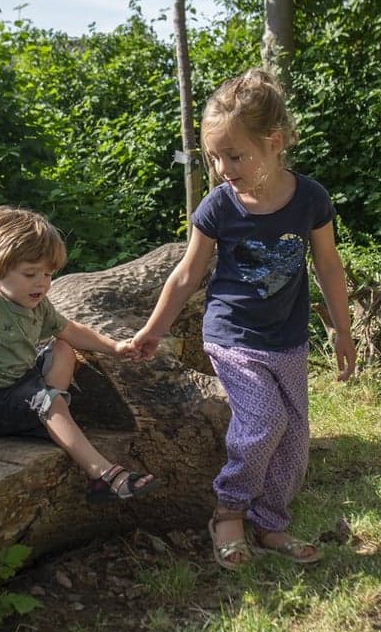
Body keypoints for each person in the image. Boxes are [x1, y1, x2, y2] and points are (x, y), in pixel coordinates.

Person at [131, 68, 356, 570]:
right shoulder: (219, 206)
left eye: (234, 156)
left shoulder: (310, 199)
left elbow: (327, 264)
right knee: (264, 420)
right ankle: (228, 511)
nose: (222, 167)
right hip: (233, 335)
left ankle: (270, 524)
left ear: (273, 144)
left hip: (289, 339)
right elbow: (188, 274)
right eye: (214, 157)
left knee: (294, 439)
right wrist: (154, 329)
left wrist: (341, 330)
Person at [0, 205, 159, 504]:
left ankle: (48, 413)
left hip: (23, 385)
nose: (41, 283)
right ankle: (103, 476)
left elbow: (71, 330)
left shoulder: (38, 305)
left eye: (48, 274)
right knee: (49, 399)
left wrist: (114, 347)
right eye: (30, 273)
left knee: (64, 347)